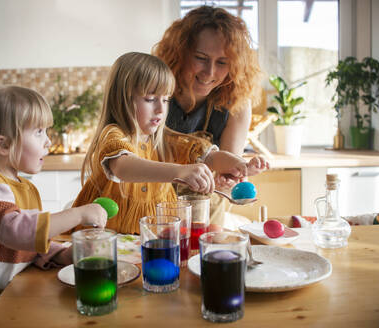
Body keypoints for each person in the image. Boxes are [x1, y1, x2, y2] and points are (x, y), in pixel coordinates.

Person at [0, 85, 107, 328]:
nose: (48, 141)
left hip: (7, 305)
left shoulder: (25, 188)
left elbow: (25, 248)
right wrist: (78, 213)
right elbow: (15, 232)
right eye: (39, 132)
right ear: (3, 145)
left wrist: (63, 253)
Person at [72, 52, 267, 234]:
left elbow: (209, 156)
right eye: (150, 99)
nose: (160, 109)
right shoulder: (113, 135)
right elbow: (123, 167)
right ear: (122, 99)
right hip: (108, 237)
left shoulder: (162, 139)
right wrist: (178, 172)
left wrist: (239, 165)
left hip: (151, 239)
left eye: (165, 100)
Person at [153, 5, 264, 223]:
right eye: (201, 58)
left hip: (204, 213)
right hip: (152, 207)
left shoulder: (237, 103)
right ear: (181, 53)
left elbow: (228, 161)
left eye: (222, 62)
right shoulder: (156, 91)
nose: (210, 72)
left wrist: (229, 176)